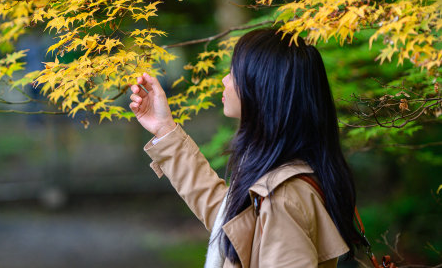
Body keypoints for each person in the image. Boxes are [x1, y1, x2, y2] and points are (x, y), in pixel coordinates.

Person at [129, 28, 366, 268]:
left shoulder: (283, 197)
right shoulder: (278, 176)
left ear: (261, 87)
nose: (224, 80)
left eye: (234, 73)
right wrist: (164, 128)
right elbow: (229, 222)